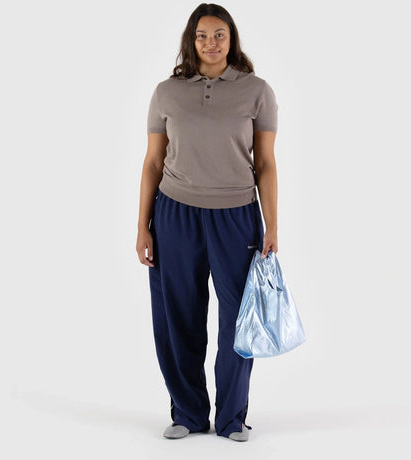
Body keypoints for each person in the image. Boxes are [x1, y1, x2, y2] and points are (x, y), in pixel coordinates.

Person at [136, 3, 278, 442]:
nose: (210, 43)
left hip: (237, 216)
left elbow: (267, 164)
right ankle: (189, 413)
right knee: (177, 314)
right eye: (202, 35)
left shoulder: (257, 91)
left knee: (239, 319)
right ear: (190, 40)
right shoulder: (166, 92)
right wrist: (142, 225)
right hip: (175, 213)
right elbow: (153, 162)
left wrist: (272, 226)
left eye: (219, 35)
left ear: (231, 39)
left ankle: (232, 417)